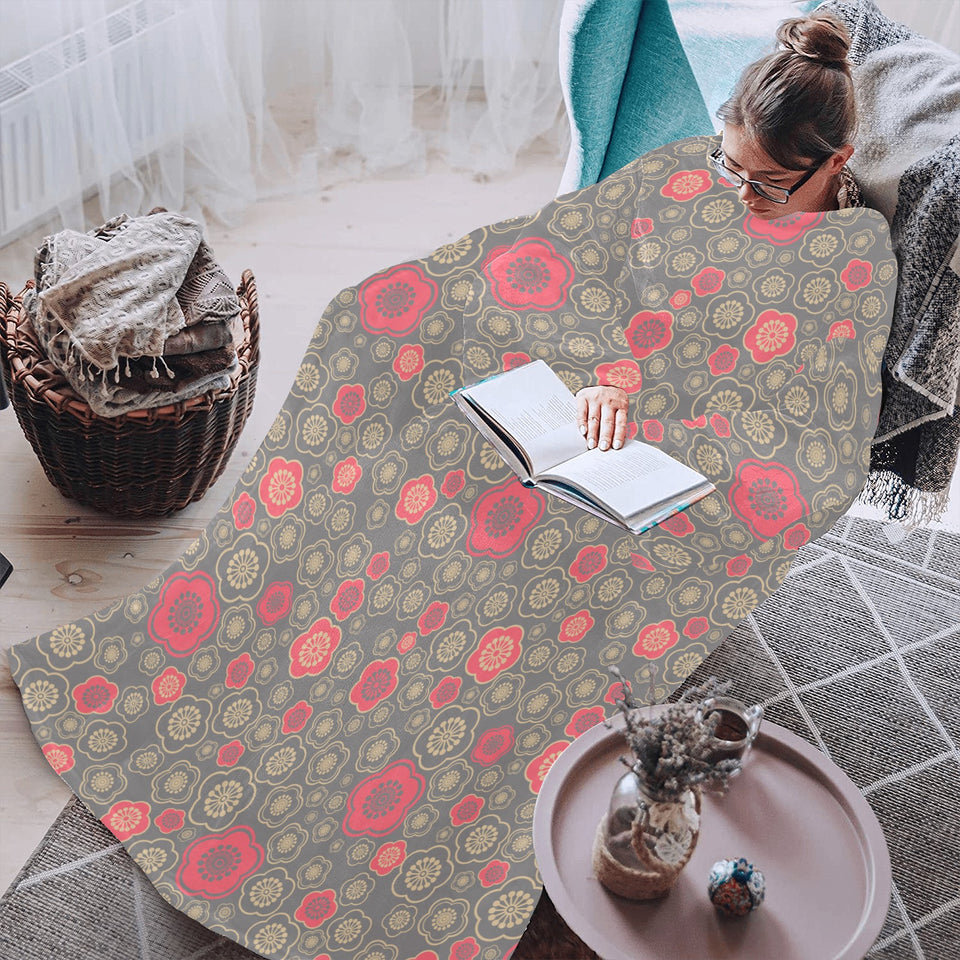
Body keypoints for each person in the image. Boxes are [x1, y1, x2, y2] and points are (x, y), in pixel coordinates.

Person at [575, 8, 860, 454]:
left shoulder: (848, 262)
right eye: (731, 166)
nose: (744, 194)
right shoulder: (697, 190)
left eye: (770, 182)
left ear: (836, 161)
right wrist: (606, 375)